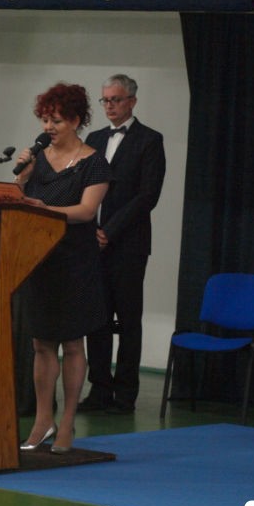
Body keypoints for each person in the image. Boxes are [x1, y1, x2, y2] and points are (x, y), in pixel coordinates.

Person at [15, 82, 111, 453]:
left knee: (72, 343)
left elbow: (86, 212)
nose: (48, 127)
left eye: (55, 120)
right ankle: (43, 420)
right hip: (40, 260)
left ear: (75, 120)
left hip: (75, 261)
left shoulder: (94, 162)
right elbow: (23, 202)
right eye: (44, 119)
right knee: (41, 344)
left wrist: (45, 209)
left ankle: (68, 421)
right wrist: (22, 180)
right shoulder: (37, 159)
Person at [79, 74, 165, 414]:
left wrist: (109, 231)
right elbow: (83, 186)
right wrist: (92, 230)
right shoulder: (95, 138)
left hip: (128, 245)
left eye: (115, 99)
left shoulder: (150, 140)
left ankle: (125, 394)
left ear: (132, 101)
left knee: (128, 320)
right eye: (105, 100)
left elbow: (147, 195)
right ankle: (99, 390)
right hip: (92, 244)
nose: (109, 106)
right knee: (96, 319)